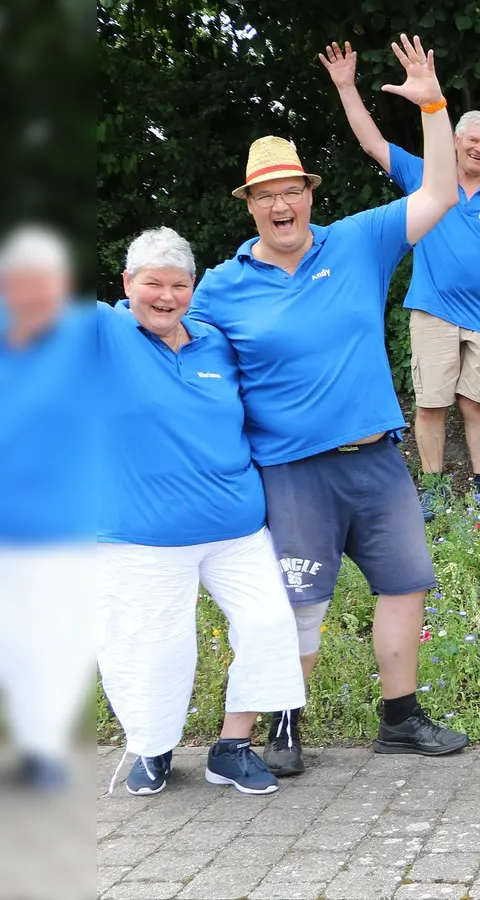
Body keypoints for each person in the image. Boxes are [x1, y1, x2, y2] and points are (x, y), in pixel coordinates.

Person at [188, 34, 470, 777]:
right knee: (297, 605)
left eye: (292, 189)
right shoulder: (219, 287)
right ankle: (285, 723)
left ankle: (402, 720)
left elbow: (440, 192)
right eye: (265, 194)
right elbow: (175, 352)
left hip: (376, 459)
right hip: (290, 471)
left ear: (312, 193)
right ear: (251, 205)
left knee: (406, 585)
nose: (281, 203)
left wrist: (434, 106)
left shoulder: (358, 242)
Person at [98, 228, 306, 796]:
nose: (165, 297)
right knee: (155, 647)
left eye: (179, 285)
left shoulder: (215, 341)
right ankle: (152, 747)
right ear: (126, 284)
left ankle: (232, 748)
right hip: (143, 536)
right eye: (152, 284)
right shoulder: (100, 333)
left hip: (236, 529)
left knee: (268, 627)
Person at [321, 42, 480, 515]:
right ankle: (432, 490)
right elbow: (372, 143)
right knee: (431, 404)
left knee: (479, 406)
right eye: (471, 139)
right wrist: (346, 87)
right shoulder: (423, 174)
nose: (479, 147)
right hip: (433, 310)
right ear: (454, 140)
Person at [0, 225, 97, 791]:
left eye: (46, 284)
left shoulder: (85, 335)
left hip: (63, 524)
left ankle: (43, 749)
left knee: (51, 641)